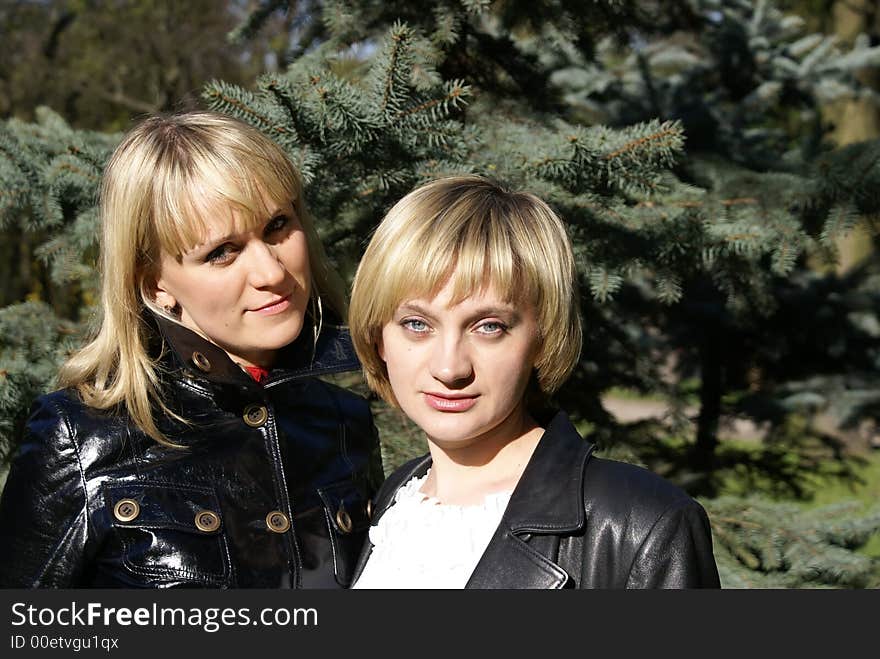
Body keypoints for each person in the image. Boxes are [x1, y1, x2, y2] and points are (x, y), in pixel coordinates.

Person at [0, 111, 383, 588]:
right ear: (154, 283)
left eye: (278, 226)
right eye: (222, 252)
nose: (271, 272)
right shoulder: (82, 439)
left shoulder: (344, 422)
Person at [347, 175, 720, 588]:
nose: (450, 368)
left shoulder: (644, 527)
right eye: (417, 324)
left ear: (542, 338)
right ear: (378, 337)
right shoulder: (390, 506)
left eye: (488, 327)